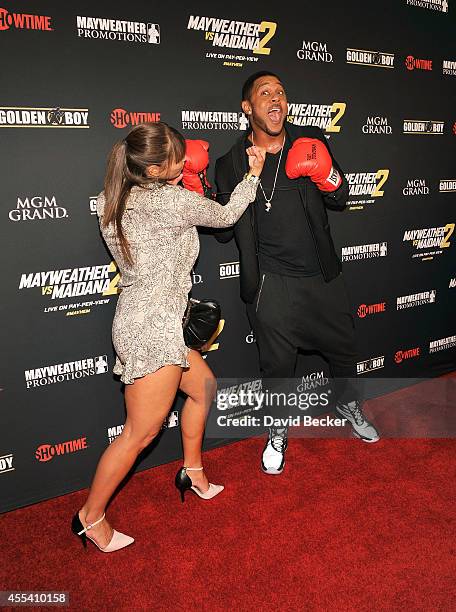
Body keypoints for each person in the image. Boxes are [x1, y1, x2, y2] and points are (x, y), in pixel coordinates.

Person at [71, 122, 265, 552]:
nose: (185, 159)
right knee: (139, 434)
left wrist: (178, 180)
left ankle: (192, 471)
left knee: (203, 388)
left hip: (149, 319)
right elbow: (227, 215)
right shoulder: (171, 201)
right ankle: (90, 516)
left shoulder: (116, 198)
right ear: (157, 169)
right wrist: (253, 174)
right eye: (178, 156)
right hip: (154, 328)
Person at [214, 71, 380, 476]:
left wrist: (326, 174)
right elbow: (221, 231)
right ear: (247, 108)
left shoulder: (311, 141)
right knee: (277, 369)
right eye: (264, 93)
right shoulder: (231, 162)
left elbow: (341, 196)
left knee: (345, 354)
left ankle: (346, 403)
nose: (276, 99)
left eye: (281, 92)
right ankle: (278, 429)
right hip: (270, 285)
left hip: (321, 278)